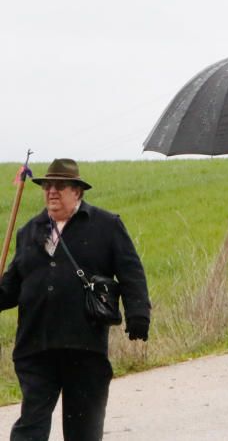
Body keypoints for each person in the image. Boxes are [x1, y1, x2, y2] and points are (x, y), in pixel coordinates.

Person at [0, 158, 150, 440]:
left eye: (60, 186)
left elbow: (131, 272)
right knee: (30, 427)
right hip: (36, 346)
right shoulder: (29, 232)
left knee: (83, 429)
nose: (52, 192)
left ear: (77, 192)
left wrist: (138, 312)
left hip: (84, 347)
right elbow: (12, 288)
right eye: (47, 186)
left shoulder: (106, 226)